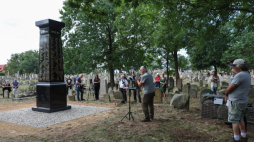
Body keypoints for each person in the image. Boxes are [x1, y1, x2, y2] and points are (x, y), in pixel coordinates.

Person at [225, 59, 250, 142]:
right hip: (243, 100)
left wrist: (226, 94)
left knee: (234, 120)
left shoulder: (240, 75)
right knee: (240, 119)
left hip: (236, 101)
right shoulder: (247, 74)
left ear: (238, 66)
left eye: (234, 65)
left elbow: (229, 88)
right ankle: (243, 136)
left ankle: (236, 139)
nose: (233, 67)